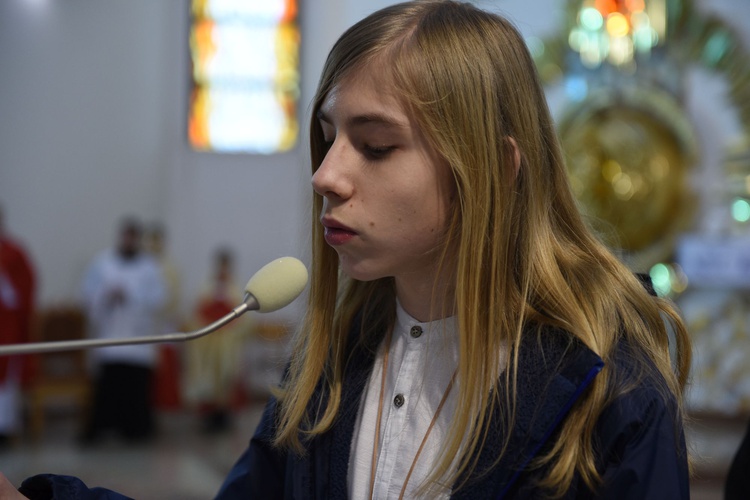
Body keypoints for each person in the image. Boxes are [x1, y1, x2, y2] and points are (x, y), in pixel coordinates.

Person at [3, 1, 692, 498]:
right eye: (329, 136)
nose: (326, 175)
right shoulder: (331, 365)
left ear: (494, 168)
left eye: (376, 144)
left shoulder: (611, 384)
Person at [79, 216, 166, 444]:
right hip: (111, 335)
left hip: (137, 339)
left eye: (133, 237)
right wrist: (106, 296)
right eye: (125, 236)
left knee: (135, 388)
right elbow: (88, 293)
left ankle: (135, 431)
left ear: (137, 239)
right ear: (121, 237)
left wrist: (131, 296)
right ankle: (102, 429)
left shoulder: (149, 266)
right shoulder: (103, 262)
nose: (128, 241)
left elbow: (158, 298)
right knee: (108, 386)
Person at [184, 247, 250, 433]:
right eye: (220, 265)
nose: (222, 270)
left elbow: (244, 318)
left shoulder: (236, 288)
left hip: (227, 342)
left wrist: (230, 328)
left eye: (225, 266)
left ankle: (225, 415)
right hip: (208, 344)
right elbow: (196, 315)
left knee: (227, 376)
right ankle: (207, 416)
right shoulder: (206, 287)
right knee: (208, 378)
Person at [0, 204, 36, 447]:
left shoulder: (13, 251)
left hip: (6, 324)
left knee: (6, 379)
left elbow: (27, 284)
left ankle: (4, 429)